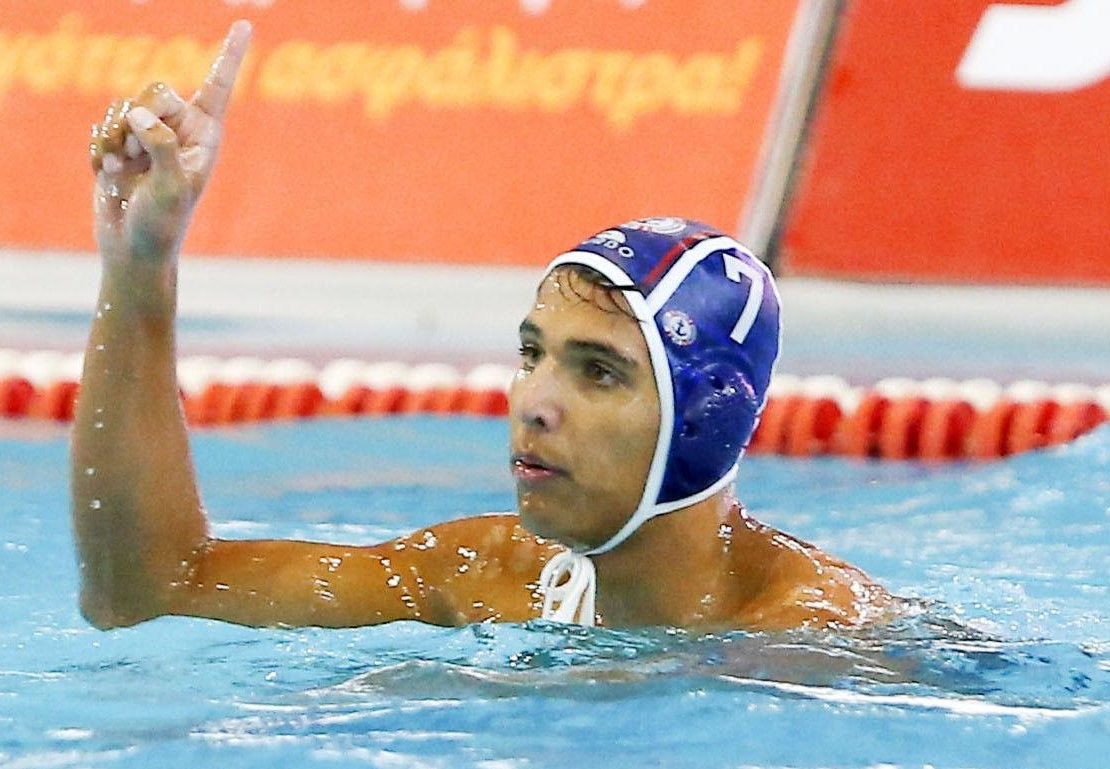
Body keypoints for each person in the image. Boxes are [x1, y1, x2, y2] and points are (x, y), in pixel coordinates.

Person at [72, 20, 893, 632]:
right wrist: (141, 268)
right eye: (533, 355)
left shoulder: (815, 642)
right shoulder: (492, 578)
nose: (534, 401)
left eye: (598, 371)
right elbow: (149, 591)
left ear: (702, 422)